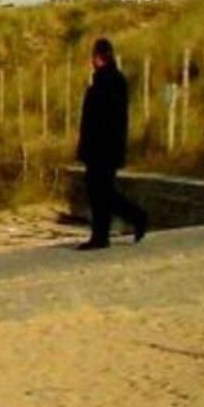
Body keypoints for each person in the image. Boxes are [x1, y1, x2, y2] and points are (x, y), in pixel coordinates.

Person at [76, 37, 148, 250]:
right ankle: (106, 233)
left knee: (101, 192)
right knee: (101, 192)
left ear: (98, 58)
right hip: (103, 147)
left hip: (102, 148)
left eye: (94, 57)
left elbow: (102, 119)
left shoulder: (107, 83)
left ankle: (131, 219)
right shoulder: (109, 81)